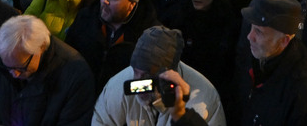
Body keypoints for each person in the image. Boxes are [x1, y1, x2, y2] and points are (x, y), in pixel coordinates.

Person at [0, 14, 96, 126]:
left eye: (21, 68)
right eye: (8, 67)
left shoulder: (75, 75)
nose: (14, 74)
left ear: (41, 48)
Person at [92, 25, 227, 126]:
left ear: (168, 75)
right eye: (135, 71)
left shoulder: (203, 98)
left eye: (145, 75)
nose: (136, 81)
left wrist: (182, 116)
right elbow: (101, 121)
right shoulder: (119, 85)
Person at [234, 0, 307, 126]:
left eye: (259, 32)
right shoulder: (259, 54)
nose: (249, 37)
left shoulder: (303, 92)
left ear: (284, 40)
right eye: (251, 27)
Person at [66, 0, 158, 86]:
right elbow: (67, 59)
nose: (106, 1)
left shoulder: (148, 36)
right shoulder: (86, 18)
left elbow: (148, 83)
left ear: (131, 5)